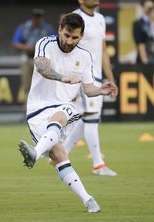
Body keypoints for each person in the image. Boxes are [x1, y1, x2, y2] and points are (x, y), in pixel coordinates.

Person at [18, 13, 117, 213]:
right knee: (58, 154)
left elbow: (88, 89)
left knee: (63, 113)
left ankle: (34, 154)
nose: (69, 41)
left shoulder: (85, 56)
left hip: (65, 105)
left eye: (75, 38)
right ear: (59, 29)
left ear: (81, 36)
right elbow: (42, 67)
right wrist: (63, 78)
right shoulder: (45, 43)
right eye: (66, 35)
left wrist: (100, 90)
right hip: (37, 107)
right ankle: (89, 200)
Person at [60, 0, 118, 176]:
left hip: (98, 76)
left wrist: (111, 78)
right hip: (82, 75)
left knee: (85, 118)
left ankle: (61, 152)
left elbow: (103, 50)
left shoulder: (100, 18)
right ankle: (98, 165)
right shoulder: (75, 18)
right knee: (92, 117)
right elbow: (65, 45)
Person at [12, 9, 55, 105]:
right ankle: (27, 109)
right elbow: (15, 43)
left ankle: (43, 106)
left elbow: (54, 43)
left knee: (43, 84)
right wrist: (29, 48)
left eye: (39, 17)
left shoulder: (47, 28)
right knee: (26, 84)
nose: (37, 19)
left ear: (42, 18)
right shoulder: (23, 28)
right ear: (32, 17)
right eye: (35, 17)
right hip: (27, 58)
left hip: (42, 59)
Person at [132, 0, 154, 64]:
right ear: (143, 7)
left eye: (152, 8)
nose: (150, 10)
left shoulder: (151, 23)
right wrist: (145, 62)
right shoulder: (138, 24)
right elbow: (140, 44)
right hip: (147, 58)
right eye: (149, 8)